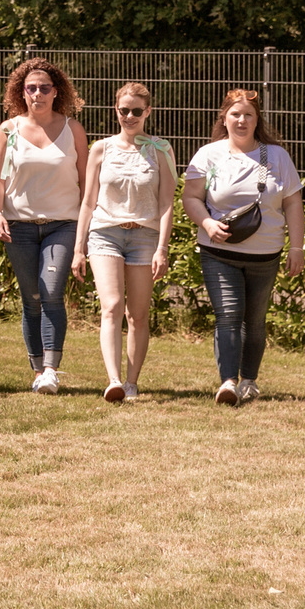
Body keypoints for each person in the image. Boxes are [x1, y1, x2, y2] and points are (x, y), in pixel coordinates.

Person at [183, 88, 304, 406]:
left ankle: (250, 379)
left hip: (266, 254)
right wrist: (207, 223)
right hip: (218, 252)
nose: (241, 120)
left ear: (257, 120)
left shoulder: (277, 156)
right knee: (228, 315)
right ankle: (228, 382)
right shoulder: (208, 155)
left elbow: (292, 203)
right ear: (224, 117)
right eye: (235, 114)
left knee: (255, 319)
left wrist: (297, 248)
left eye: (248, 114)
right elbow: (191, 198)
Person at [0, 59, 90, 393]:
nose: (38, 93)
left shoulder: (73, 129)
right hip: (18, 226)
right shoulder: (8, 129)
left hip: (63, 224)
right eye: (31, 88)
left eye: (45, 88)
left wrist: (87, 228)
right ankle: (36, 370)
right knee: (31, 298)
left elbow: (88, 180)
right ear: (22, 92)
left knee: (50, 291)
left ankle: (50, 370)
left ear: (56, 92)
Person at [76, 82, 178, 402]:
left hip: (145, 236)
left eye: (136, 111)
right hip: (105, 232)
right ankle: (114, 380)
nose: (130, 116)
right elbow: (88, 202)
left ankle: (132, 383)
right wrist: (79, 248)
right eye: (124, 110)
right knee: (112, 306)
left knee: (137, 314)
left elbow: (166, 203)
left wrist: (162, 248)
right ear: (115, 110)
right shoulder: (100, 149)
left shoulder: (161, 149)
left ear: (148, 112)